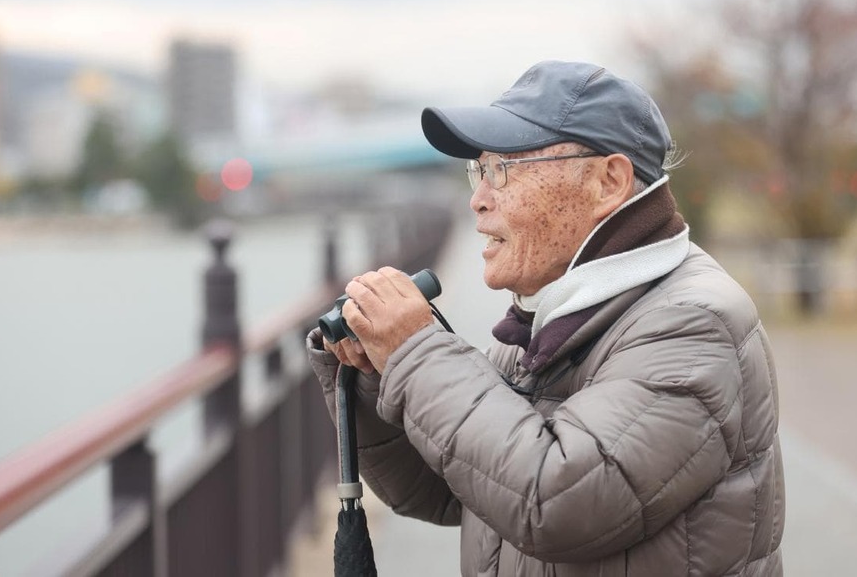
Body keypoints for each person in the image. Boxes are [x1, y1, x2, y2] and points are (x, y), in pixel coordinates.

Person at [306, 60, 785, 576]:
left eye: (503, 171)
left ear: (608, 182)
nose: (478, 199)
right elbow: (454, 490)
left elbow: (556, 501)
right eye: (480, 170)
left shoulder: (694, 324)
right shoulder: (548, 311)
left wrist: (416, 353)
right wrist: (377, 378)